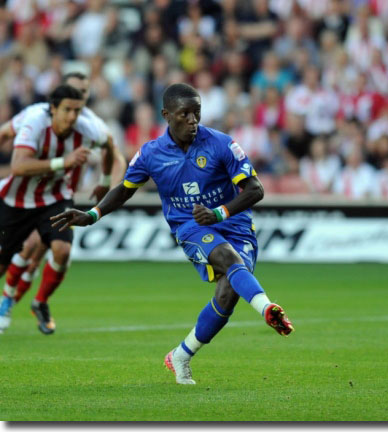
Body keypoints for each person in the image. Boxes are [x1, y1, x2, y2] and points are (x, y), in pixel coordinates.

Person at [50, 83, 294, 385]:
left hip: (235, 224)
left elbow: (256, 189)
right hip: (190, 226)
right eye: (185, 114)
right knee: (228, 260)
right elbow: (125, 190)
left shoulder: (222, 144)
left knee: (228, 294)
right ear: (167, 115)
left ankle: (181, 355)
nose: (193, 120)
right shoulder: (151, 154)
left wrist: (219, 213)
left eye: (197, 113)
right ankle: (268, 308)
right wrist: (92, 214)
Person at [0, 72, 125, 326]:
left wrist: (104, 185)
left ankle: (30, 302)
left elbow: (112, 149)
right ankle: (10, 299)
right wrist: (64, 162)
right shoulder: (35, 116)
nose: (73, 114)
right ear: (54, 104)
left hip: (57, 196)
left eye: (83, 96)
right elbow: (15, 158)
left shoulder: (90, 124)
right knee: (22, 253)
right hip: (19, 197)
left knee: (60, 249)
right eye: (68, 104)